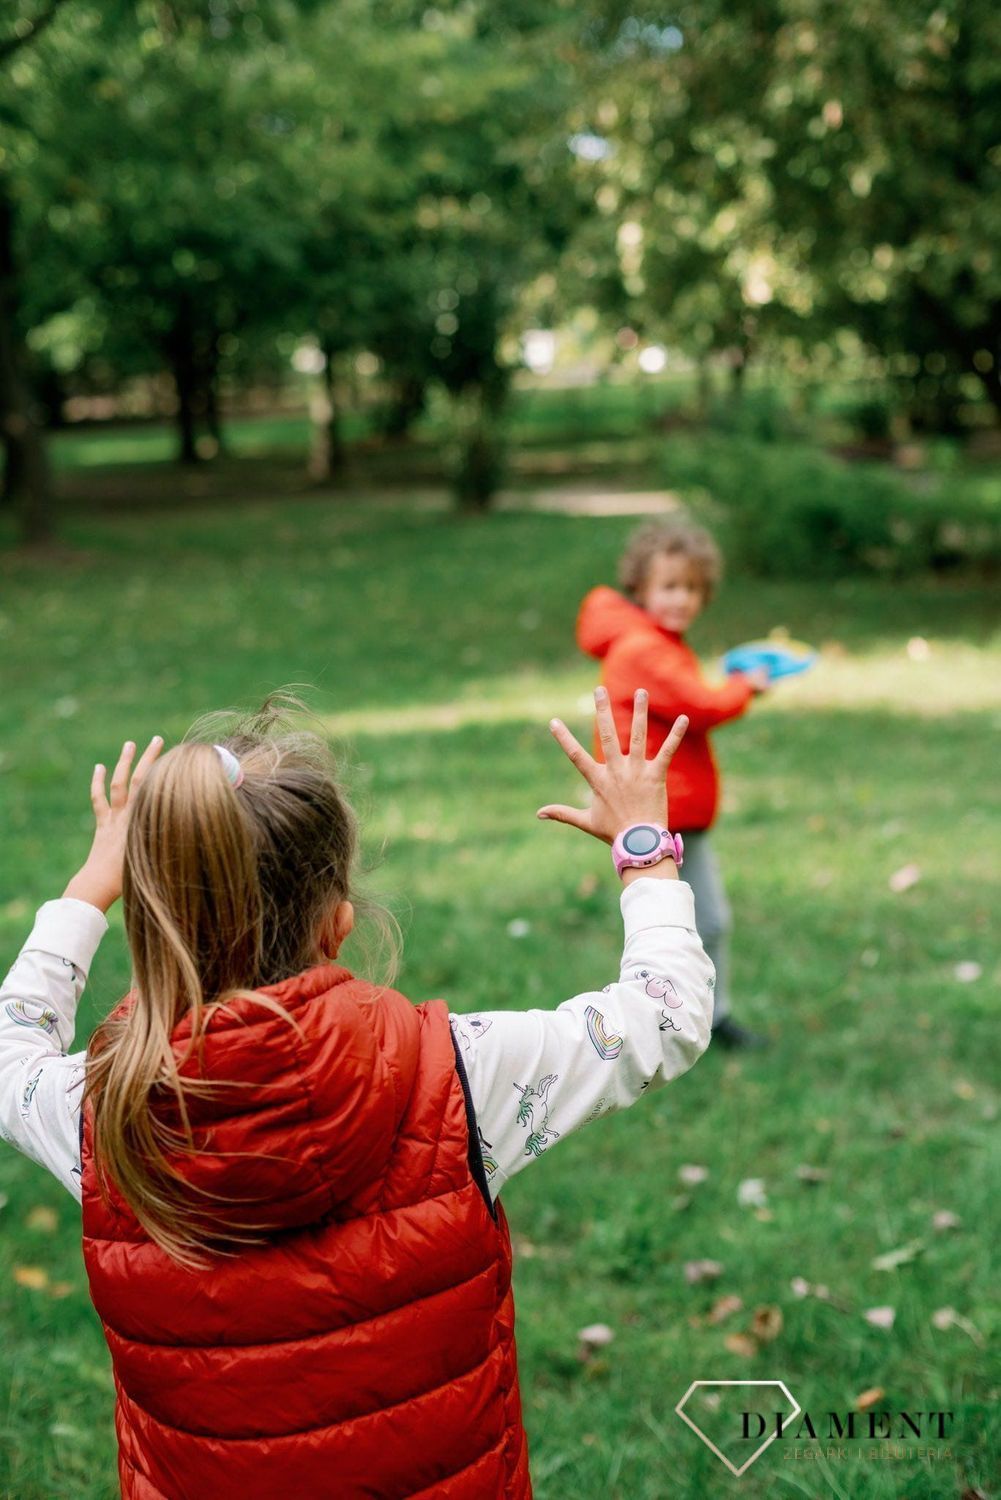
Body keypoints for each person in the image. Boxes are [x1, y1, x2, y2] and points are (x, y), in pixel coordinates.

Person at [0, 691, 714, 1500]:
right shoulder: (456, 1074)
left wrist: (88, 891)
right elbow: (664, 1014)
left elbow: (7, 1050)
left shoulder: (99, 1115)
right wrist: (644, 852)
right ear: (339, 922)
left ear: (153, 918)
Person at [577, 516, 769, 1050]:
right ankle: (692, 1024)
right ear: (639, 585)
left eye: (691, 588)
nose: (681, 599)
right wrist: (744, 686)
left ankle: (684, 1024)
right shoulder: (643, 648)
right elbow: (702, 705)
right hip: (661, 816)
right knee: (698, 923)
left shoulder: (654, 640)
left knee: (683, 925)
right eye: (669, 586)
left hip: (668, 811)